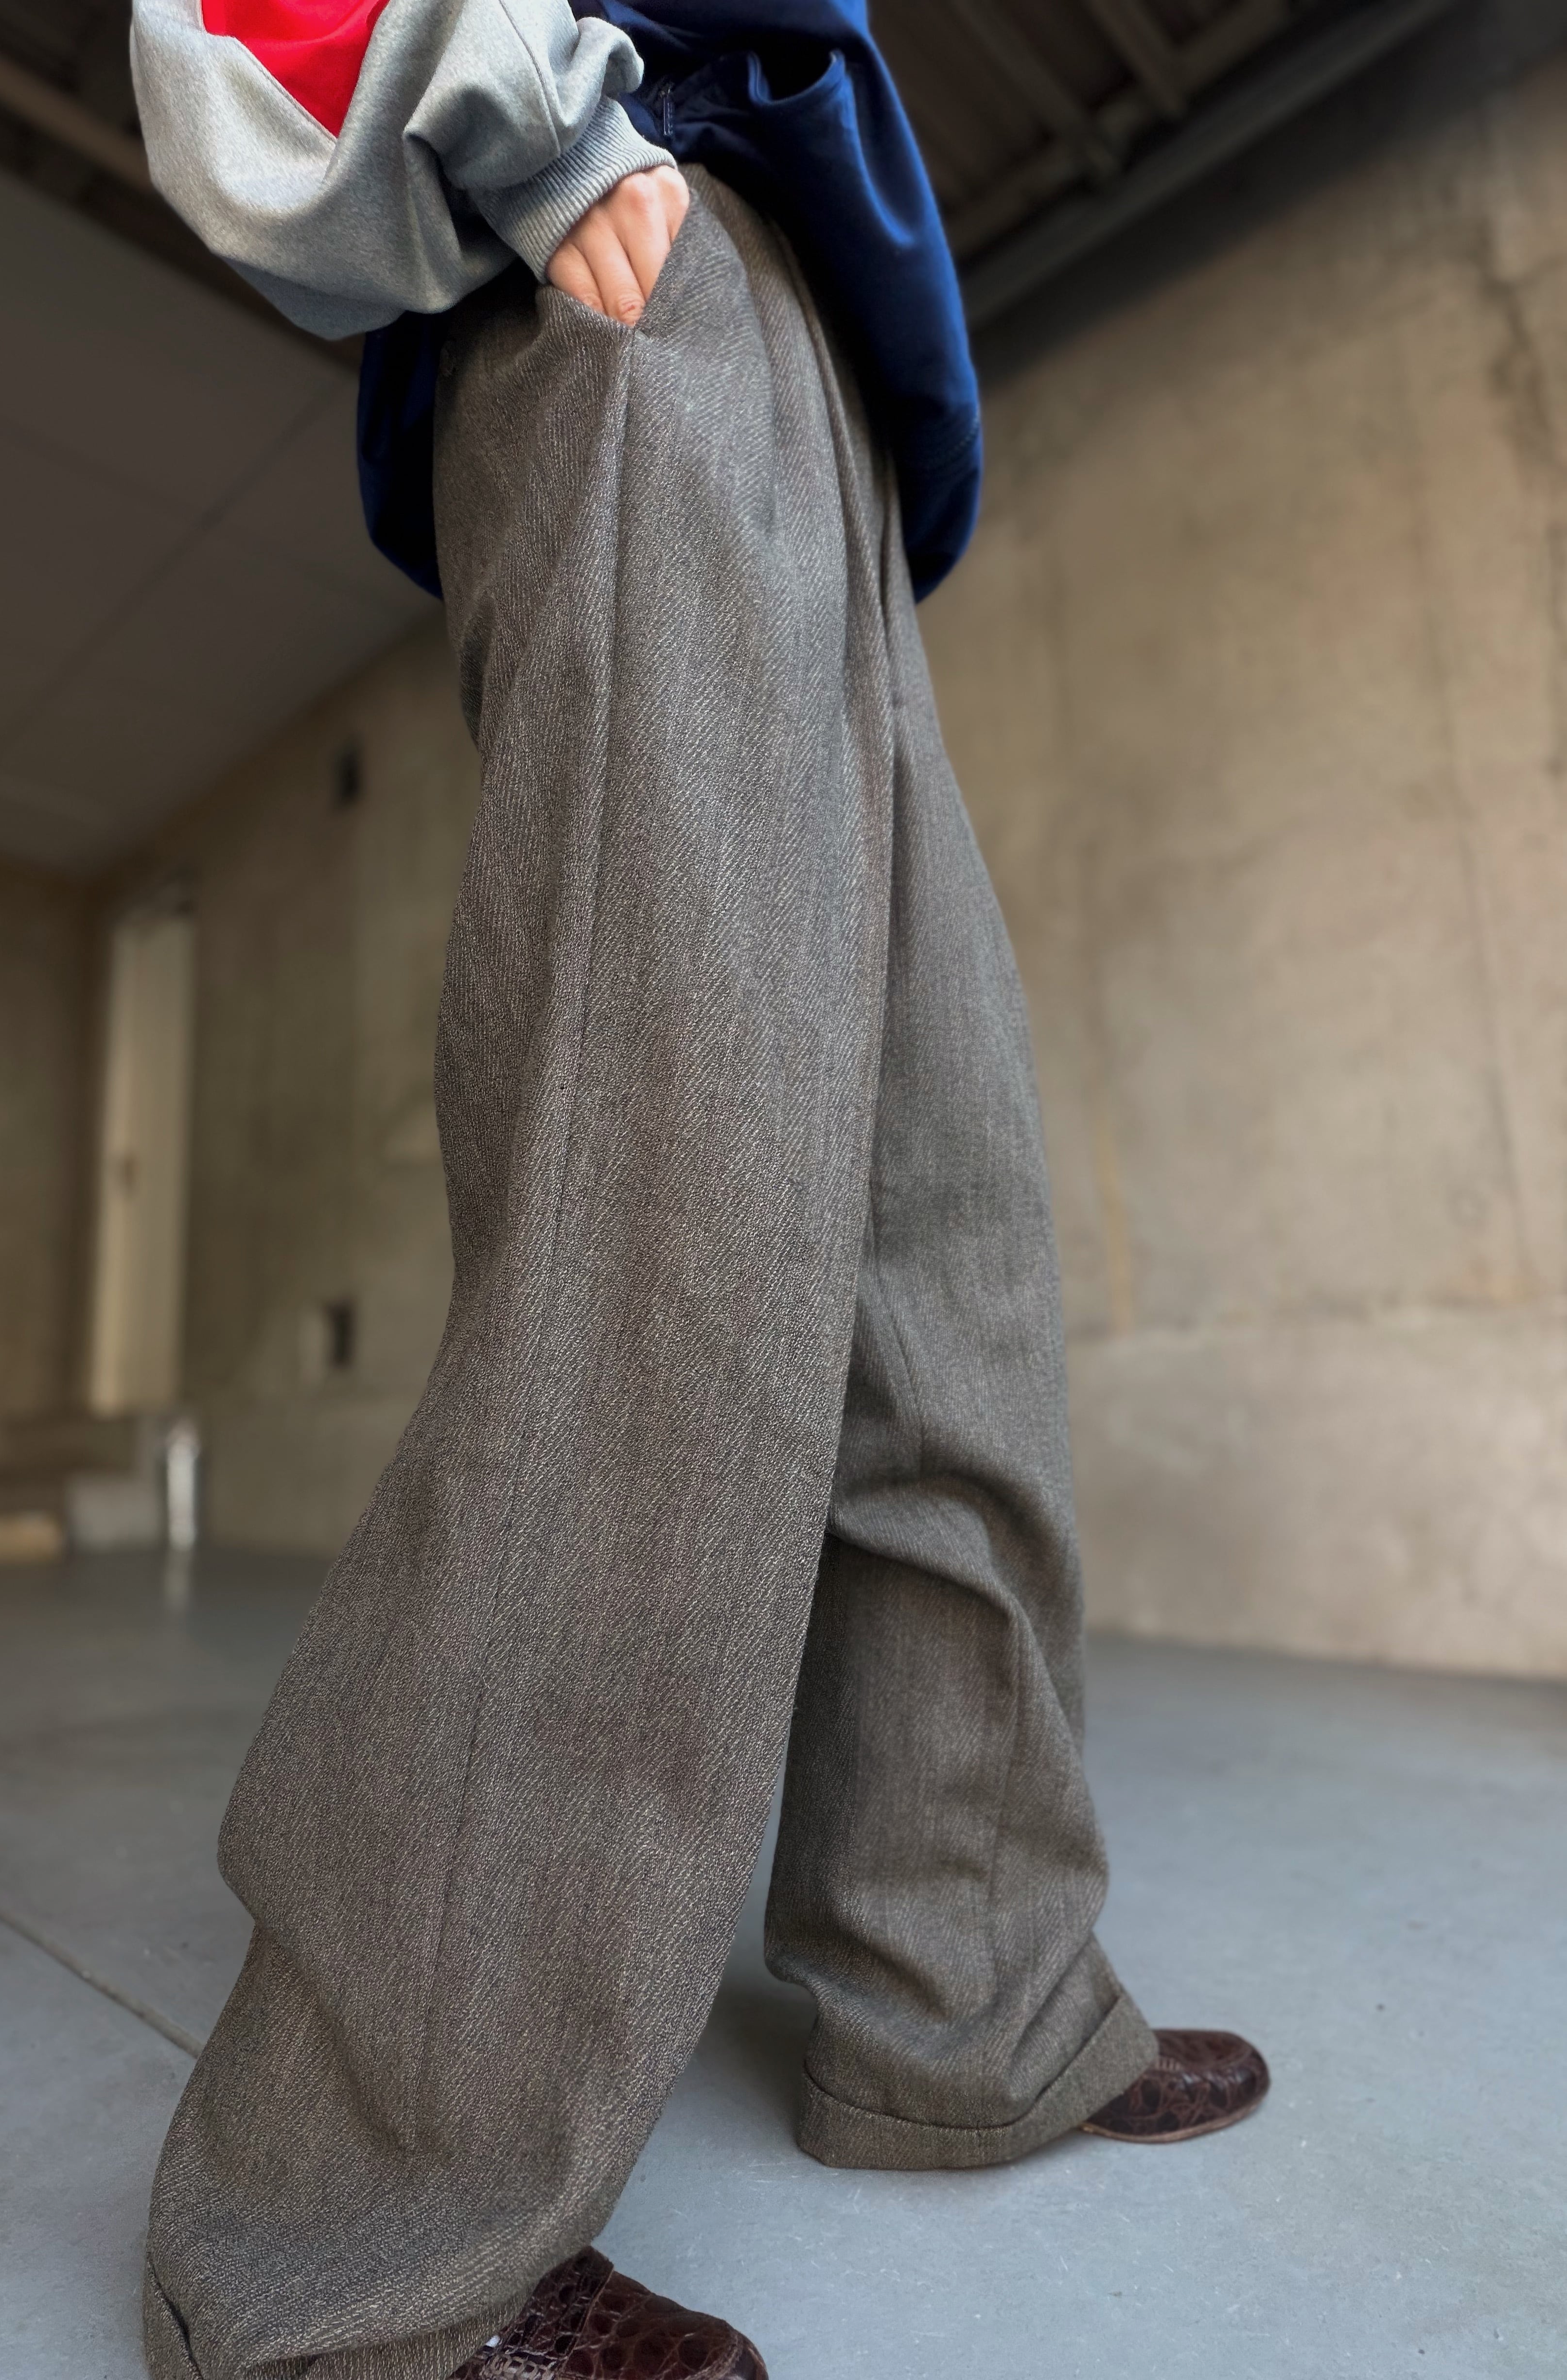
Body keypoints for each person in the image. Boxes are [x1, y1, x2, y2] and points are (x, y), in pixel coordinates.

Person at [126, 6, 1269, 2377]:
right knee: (653, 1247)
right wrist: (536, 135)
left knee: (936, 1247)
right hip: (623, 255)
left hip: (825, 372)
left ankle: (962, 1994)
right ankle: (363, 2234)